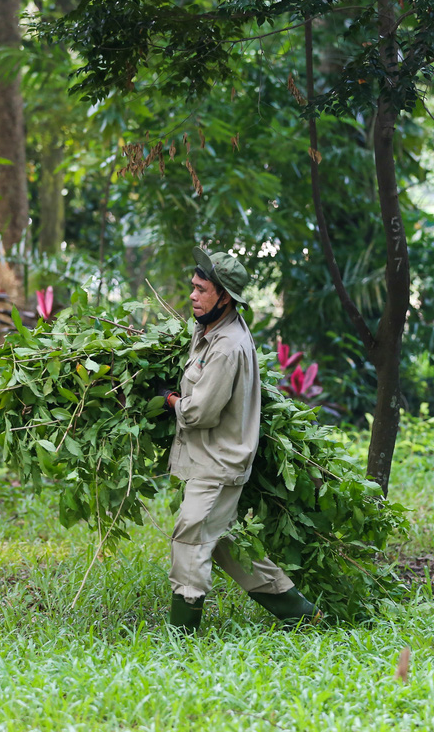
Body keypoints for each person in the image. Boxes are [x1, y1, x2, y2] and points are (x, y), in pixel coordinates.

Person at [156, 247, 321, 632]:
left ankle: (182, 636)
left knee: (190, 539)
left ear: (225, 297)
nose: (193, 296)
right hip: (209, 458)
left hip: (218, 463)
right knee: (228, 546)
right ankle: (301, 614)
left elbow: (200, 413)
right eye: (192, 288)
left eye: (201, 290)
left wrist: (169, 401)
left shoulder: (228, 345)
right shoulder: (209, 329)